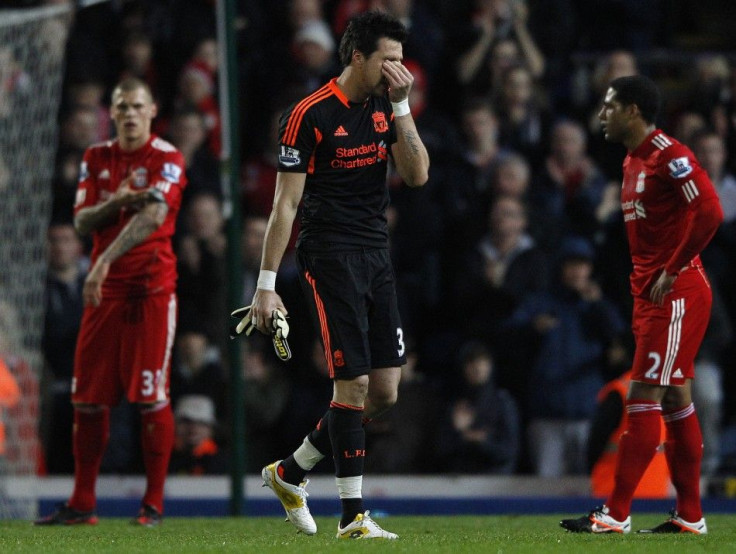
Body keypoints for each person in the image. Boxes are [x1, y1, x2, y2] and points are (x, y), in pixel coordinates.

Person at [239, 11, 429, 540]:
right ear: (357, 57)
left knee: (385, 393)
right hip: (329, 255)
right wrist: (267, 284)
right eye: (388, 59)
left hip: (376, 254)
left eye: (400, 58)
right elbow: (285, 206)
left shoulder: (385, 107)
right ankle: (353, 516)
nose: (398, 69)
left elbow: (416, 175)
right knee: (353, 383)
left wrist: (402, 106)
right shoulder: (308, 114)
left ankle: (290, 472)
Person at [561, 75, 723, 534]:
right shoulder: (633, 159)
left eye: (610, 106)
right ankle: (691, 516)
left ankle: (615, 513)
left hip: (675, 293)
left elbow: (709, 209)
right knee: (675, 399)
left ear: (633, 109)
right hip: (653, 294)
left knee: (643, 395)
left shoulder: (670, 156)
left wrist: (672, 269)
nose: (602, 115)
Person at [35, 78, 188, 527]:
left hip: (149, 290)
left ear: (153, 109)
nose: (129, 114)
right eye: (121, 107)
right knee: (87, 397)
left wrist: (102, 262)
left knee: (148, 395)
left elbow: (155, 215)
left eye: (137, 106)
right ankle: (83, 504)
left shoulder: (167, 158)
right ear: (113, 112)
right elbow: (82, 220)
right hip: (103, 294)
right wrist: (118, 201)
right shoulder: (96, 156)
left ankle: (153, 505)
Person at [169, 395, 228, 475]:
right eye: (186, 421)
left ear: (211, 429)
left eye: (201, 423)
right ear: (175, 425)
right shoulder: (161, 457)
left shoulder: (223, 462)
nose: (193, 429)